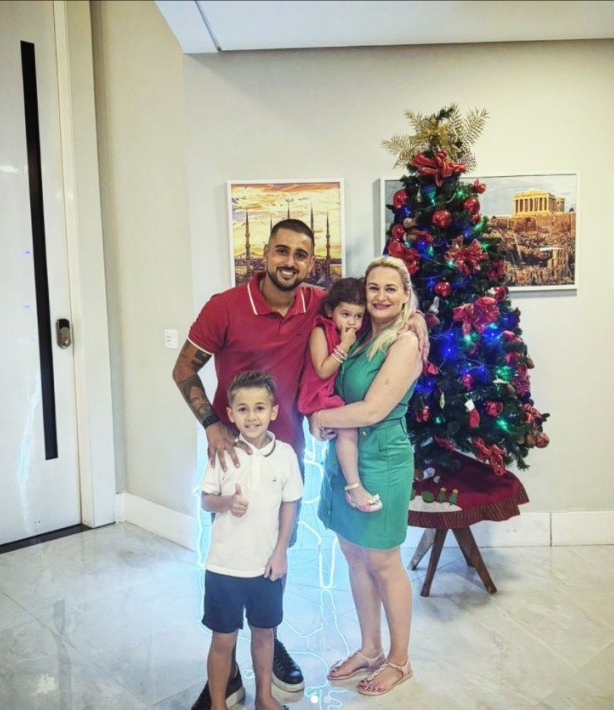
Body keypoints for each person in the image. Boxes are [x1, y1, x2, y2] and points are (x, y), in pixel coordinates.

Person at [173, 219, 428, 709]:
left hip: (288, 455)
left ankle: (269, 644)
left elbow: (374, 303)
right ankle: (225, 666)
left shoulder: (318, 303)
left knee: (275, 556)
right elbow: (183, 368)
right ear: (265, 253)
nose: (289, 262)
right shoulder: (224, 306)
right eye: (282, 251)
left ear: (311, 263)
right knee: (232, 552)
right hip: (233, 456)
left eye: (300, 254)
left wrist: (415, 319)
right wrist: (211, 424)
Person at [310, 255, 422, 697]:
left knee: (383, 561)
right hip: (347, 458)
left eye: (391, 288)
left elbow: (374, 409)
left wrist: (320, 417)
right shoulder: (357, 336)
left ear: (405, 294)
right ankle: (371, 649)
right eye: (373, 287)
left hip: (382, 459)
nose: (380, 296)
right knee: (354, 555)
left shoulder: (405, 342)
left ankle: (399, 660)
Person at [201, 371, 303, 710]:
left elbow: (289, 504)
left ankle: (264, 696)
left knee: (264, 633)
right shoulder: (223, 453)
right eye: (243, 409)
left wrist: (280, 553)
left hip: (265, 568)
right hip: (224, 567)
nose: (252, 416)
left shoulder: (285, 455)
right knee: (223, 639)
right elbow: (206, 500)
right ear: (231, 414)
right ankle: (218, 703)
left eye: (260, 408)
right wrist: (227, 503)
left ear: (273, 411)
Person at [297, 277, 382, 513]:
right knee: (348, 430)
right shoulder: (321, 331)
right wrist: (344, 345)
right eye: (345, 314)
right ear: (330, 310)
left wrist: (417, 318)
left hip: (332, 392)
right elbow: (323, 370)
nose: (352, 322)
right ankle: (354, 488)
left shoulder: (355, 330)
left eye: (358, 316)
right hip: (318, 393)